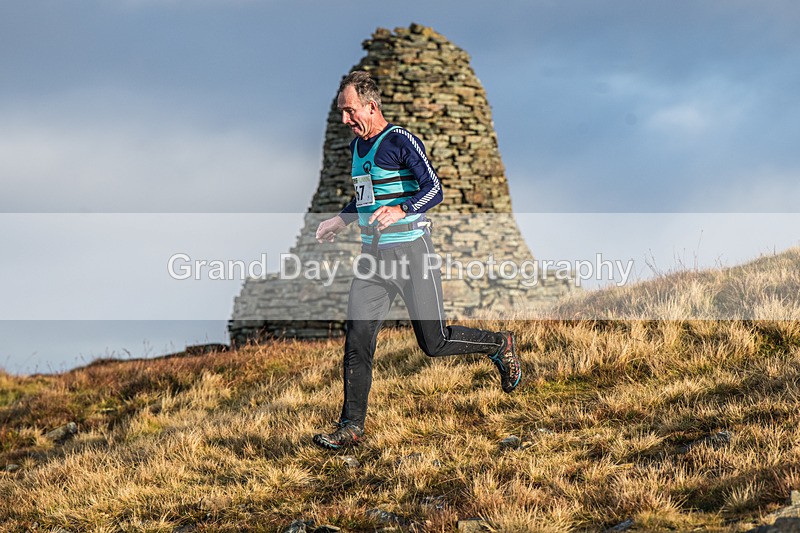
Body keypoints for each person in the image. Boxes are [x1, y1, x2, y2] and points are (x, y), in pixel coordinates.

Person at [312, 70, 521, 450]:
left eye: (349, 111)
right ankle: (351, 428)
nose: (344, 120)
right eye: (341, 112)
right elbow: (365, 199)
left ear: (371, 106)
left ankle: (499, 344)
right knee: (357, 340)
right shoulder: (357, 148)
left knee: (434, 342)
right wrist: (339, 220)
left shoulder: (400, 140)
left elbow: (434, 189)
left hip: (412, 253)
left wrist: (402, 209)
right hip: (372, 259)